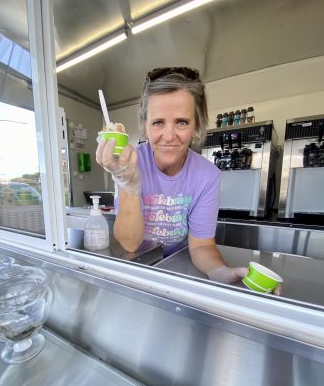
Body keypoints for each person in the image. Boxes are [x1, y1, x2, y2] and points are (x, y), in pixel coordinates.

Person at [96, 66, 280, 293]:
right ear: (145, 125)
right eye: (158, 122)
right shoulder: (129, 162)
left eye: (182, 122)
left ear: (197, 126)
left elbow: (201, 246)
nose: (169, 135)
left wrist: (220, 271)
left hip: (181, 269)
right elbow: (130, 243)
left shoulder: (207, 175)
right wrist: (128, 186)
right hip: (137, 268)